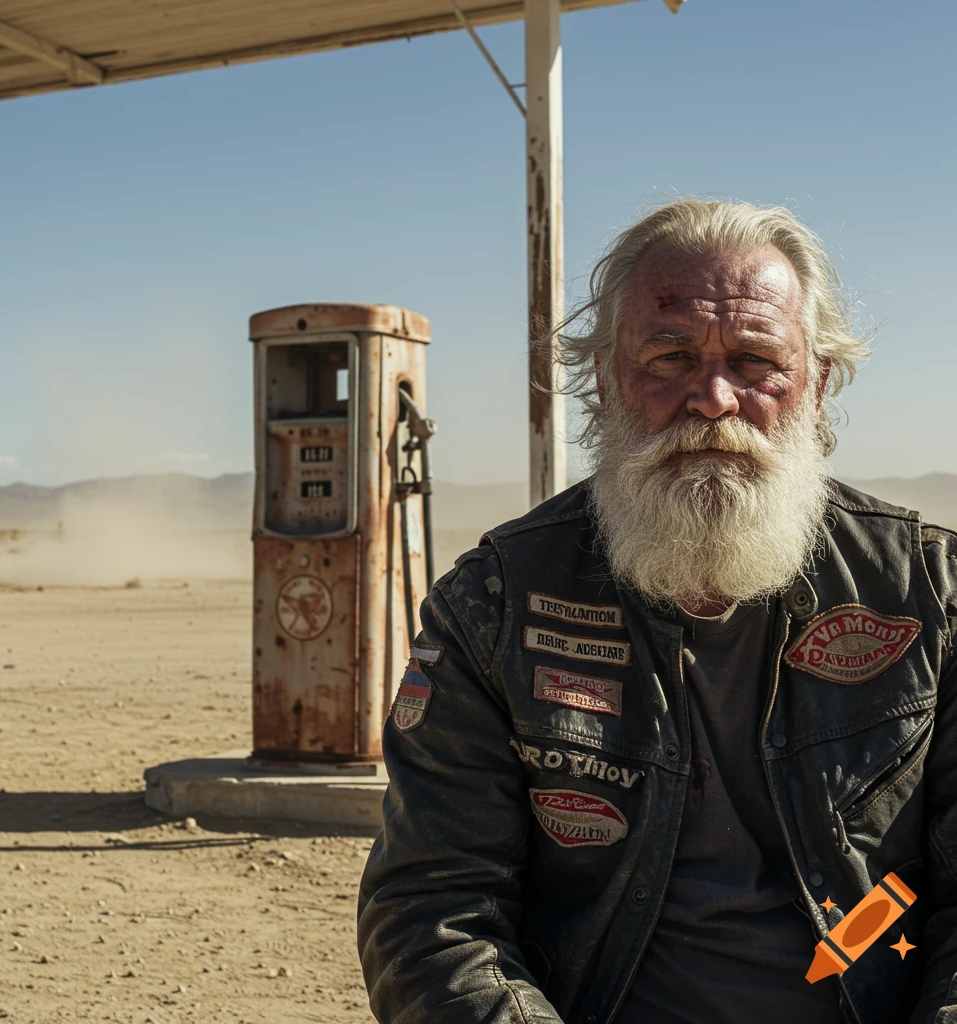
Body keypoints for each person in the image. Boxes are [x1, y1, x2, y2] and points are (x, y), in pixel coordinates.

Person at [356, 199, 957, 1024]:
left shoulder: (930, 592)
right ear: (604, 379)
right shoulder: (495, 603)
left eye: (754, 361)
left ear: (816, 383)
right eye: (670, 356)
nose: (712, 398)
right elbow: (435, 909)